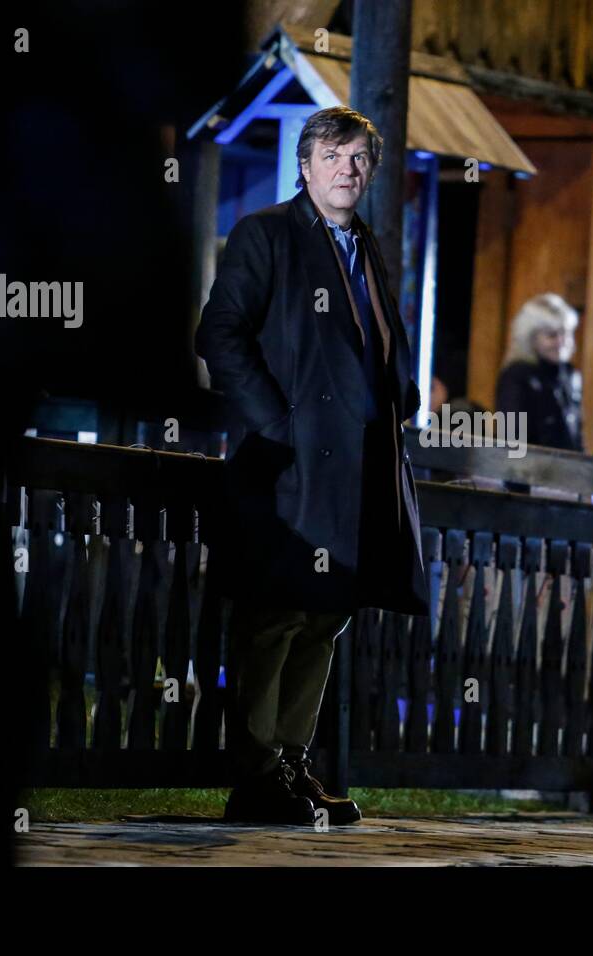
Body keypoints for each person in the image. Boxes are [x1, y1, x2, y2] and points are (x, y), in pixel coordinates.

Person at [195, 106, 429, 826]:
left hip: (355, 469)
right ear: (305, 165)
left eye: (360, 159)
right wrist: (276, 422)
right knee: (276, 616)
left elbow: (374, 345)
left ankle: (293, 764)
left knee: (326, 618)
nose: (348, 170)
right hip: (287, 467)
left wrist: (402, 399)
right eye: (333, 156)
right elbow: (220, 334)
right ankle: (256, 775)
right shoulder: (269, 234)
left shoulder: (365, 244)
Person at [495, 293, 585, 452]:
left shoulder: (570, 375)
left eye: (565, 333)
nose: (561, 342)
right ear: (531, 338)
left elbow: (575, 437)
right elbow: (512, 440)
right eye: (551, 335)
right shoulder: (517, 376)